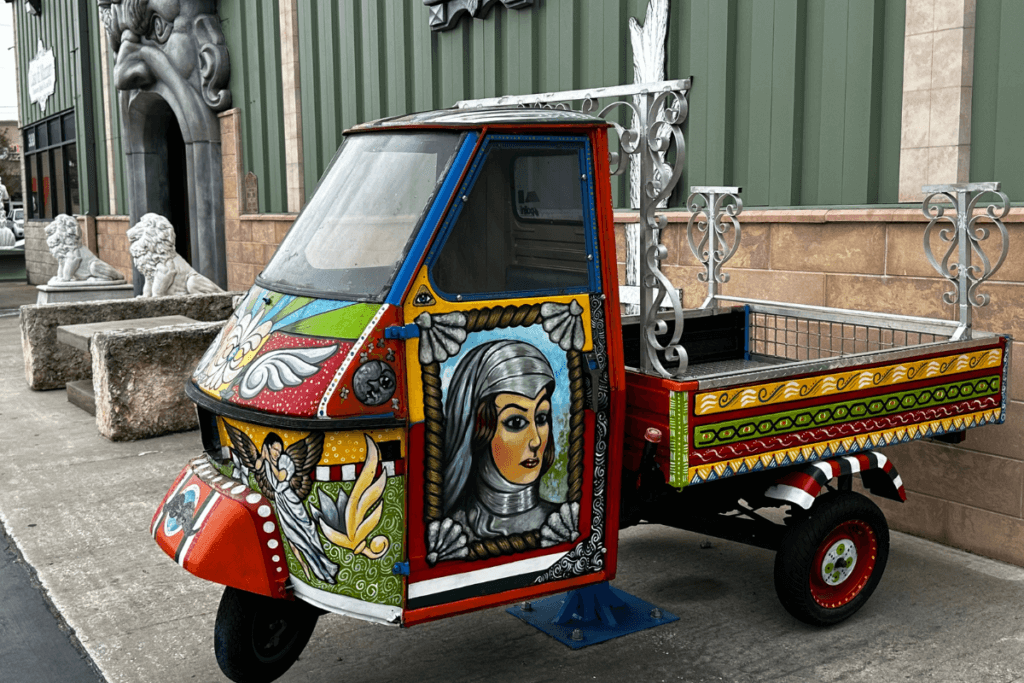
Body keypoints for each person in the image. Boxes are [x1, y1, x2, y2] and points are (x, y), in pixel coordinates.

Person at [441, 340, 560, 540]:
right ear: (476, 429)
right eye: (515, 422)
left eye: (541, 418)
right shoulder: (450, 533)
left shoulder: (560, 523)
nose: (536, 441)